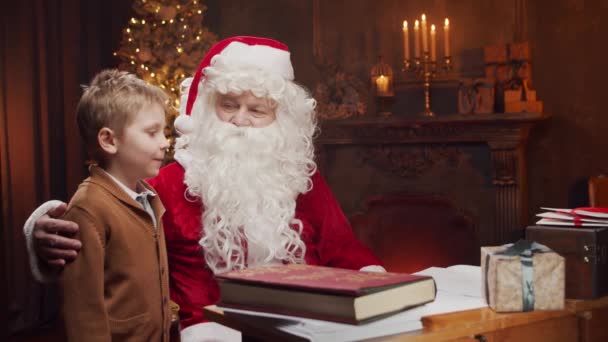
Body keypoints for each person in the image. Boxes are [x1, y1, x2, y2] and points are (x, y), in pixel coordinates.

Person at [23, 36, 384, 341]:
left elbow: (343, 248)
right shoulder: (171, 181)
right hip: (212, 330)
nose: (240, 120)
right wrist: (45, 225)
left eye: (257, 110)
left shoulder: (299, 177)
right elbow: (112, 214)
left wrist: (377, 285)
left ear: (280, 117)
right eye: (229, 105)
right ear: (210, 107)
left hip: (306, 325)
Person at [55, 69, 171, 340]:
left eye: (164, 132)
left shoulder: (150, 199)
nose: (165, 143)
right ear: (109, 140)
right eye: (152, 133)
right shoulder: (88, 208)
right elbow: (83, 312)